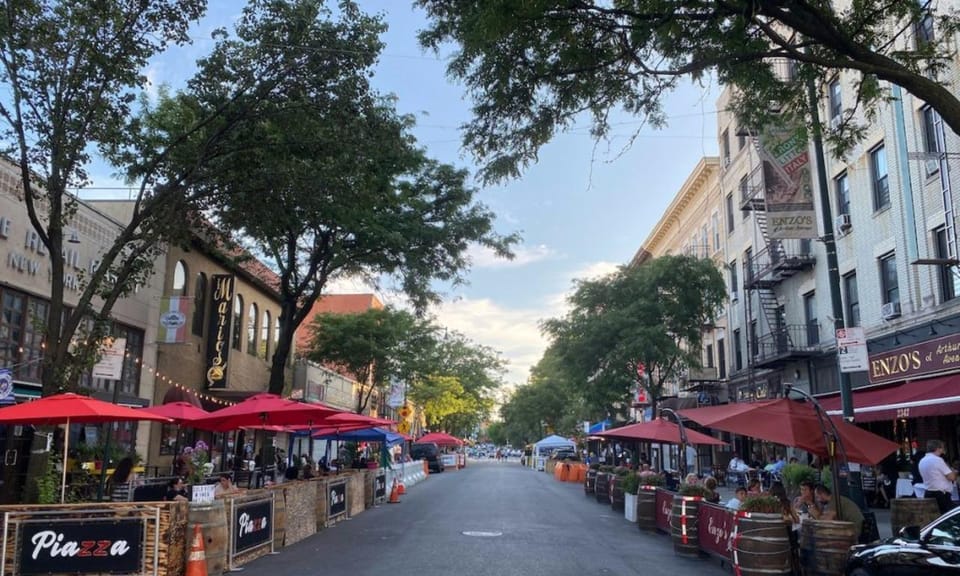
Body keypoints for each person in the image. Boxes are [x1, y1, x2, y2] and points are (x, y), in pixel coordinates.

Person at [918, 439, 958, 513]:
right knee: (947, 516)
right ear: (938, 449)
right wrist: (955, 472)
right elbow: (952, 477)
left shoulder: (922, 460)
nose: (943, 449)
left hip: (928, 492)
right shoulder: (938, 460)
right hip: (940, 494)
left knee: (934, 516)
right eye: (942, 447)